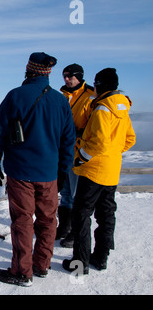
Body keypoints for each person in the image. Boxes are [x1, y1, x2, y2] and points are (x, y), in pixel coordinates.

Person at [0, 52, 75, 286]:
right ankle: (42, 265)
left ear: (29, 70)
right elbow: (68, 141)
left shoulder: (15, 96)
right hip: (49, 174)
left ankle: (21, 272)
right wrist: (64, 171)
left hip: (21, 173)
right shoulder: (61, 101)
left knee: (23, 221)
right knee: (48, 220)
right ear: (47, 73)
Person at [63, 68, 136, 274]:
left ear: (100, 85)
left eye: (96, 83)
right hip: (112, 171)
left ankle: (80, 263)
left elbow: (98, 142)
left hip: (93, 171)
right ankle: (101, 258)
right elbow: (130, 139)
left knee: (81, 215)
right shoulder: (122, 107)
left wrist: (81, 158)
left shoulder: (102, 108)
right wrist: (112, 154)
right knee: (106, 215)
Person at [56, 64, 94, 247]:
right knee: (64, 191)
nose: (67, 79)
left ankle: (74, 232)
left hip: (79, 152)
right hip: (62, 150)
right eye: (64, 75)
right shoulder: (61, 95)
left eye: (70, 76)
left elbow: (96, 125)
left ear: (79, 76)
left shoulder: (91, 96)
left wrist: (77, 133)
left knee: (76, 193)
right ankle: (64, 227)